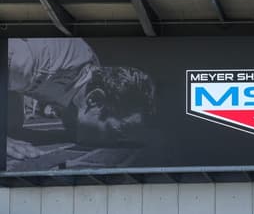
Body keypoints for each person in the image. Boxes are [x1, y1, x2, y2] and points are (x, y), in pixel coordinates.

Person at [6, 38, 155, 162]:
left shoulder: (88, 71)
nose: (113, 143)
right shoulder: (29, 62)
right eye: (117, 132)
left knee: (11, 125)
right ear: (95, 100)